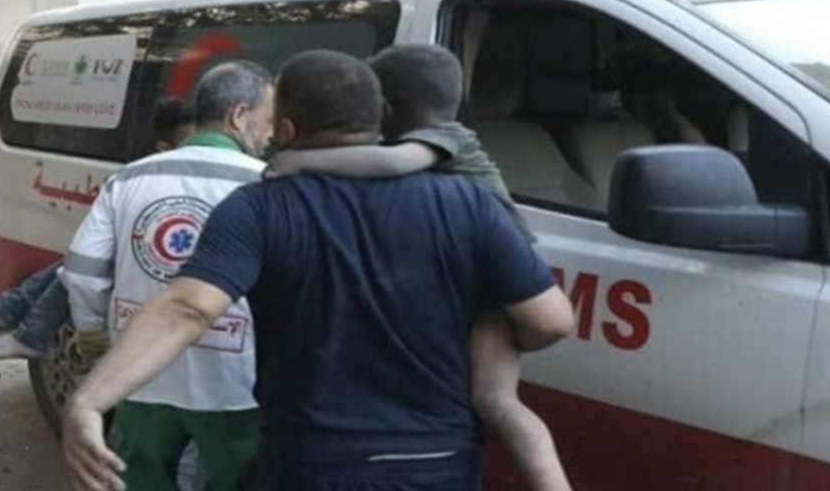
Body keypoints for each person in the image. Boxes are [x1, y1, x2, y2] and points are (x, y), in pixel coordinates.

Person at [61, 49, 575, 491]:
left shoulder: (258, 208)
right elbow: (551, 321)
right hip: (435, 464)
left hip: (308, 464)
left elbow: (188, 309)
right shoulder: (467, 201)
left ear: (287, 129)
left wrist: (89, 400)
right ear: (380, 118)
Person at [267, 44, 573, 491]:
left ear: (386, 110)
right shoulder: (452, 146)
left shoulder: (444, 140)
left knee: (500, 403)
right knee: (496, 401)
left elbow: (390, 162)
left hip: (502, 280)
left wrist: (299, 160)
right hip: (500, 280)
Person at [61, 62, 275, 491]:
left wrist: (97, 341)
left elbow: (82, 272)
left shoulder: (131, 177)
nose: (271, 135)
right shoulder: (266, 185)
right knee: (243, 479)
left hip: (139, 373)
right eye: (268, 120)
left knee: (137, 477)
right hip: (233, 382)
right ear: (238, 115)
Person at [0, 96, 198, 360]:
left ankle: (17, 319)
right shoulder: (150, 180)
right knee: (81, 263)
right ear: (163, 149)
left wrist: (91, 330)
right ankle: (16, 318)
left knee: (89, 263)